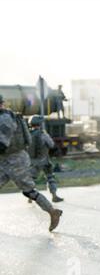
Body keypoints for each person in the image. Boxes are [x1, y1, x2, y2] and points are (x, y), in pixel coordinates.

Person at [0, 94, 62, 232]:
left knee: (28, 191)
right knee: (28, 190)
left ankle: (53, 212)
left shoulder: (5, 119)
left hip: (15, 161)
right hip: (6, 160)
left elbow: (2, 144)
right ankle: (52, 211)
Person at [28, 115, 64, 202]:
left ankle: (30, 198)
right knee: (50, 177)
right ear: (40, 124)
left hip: (32, 161)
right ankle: (54, 196)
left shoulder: (28, 134)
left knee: (31, 179)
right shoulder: (42, 134)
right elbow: (51, 144)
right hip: (43, 160)